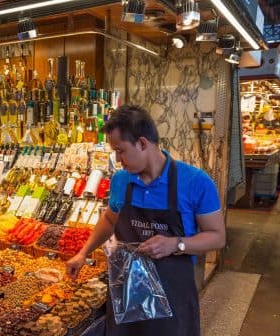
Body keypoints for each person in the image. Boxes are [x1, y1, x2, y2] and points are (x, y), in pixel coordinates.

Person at [66, 105, 225, 336]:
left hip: (172, 299)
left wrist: (176, 244)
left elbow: (217, 237)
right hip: (127, 293)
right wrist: (83, 252)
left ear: (142, 143)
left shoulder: (195, 182)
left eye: (120, 151)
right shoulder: (121, 180)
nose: (118, 160)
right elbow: (110, 220)